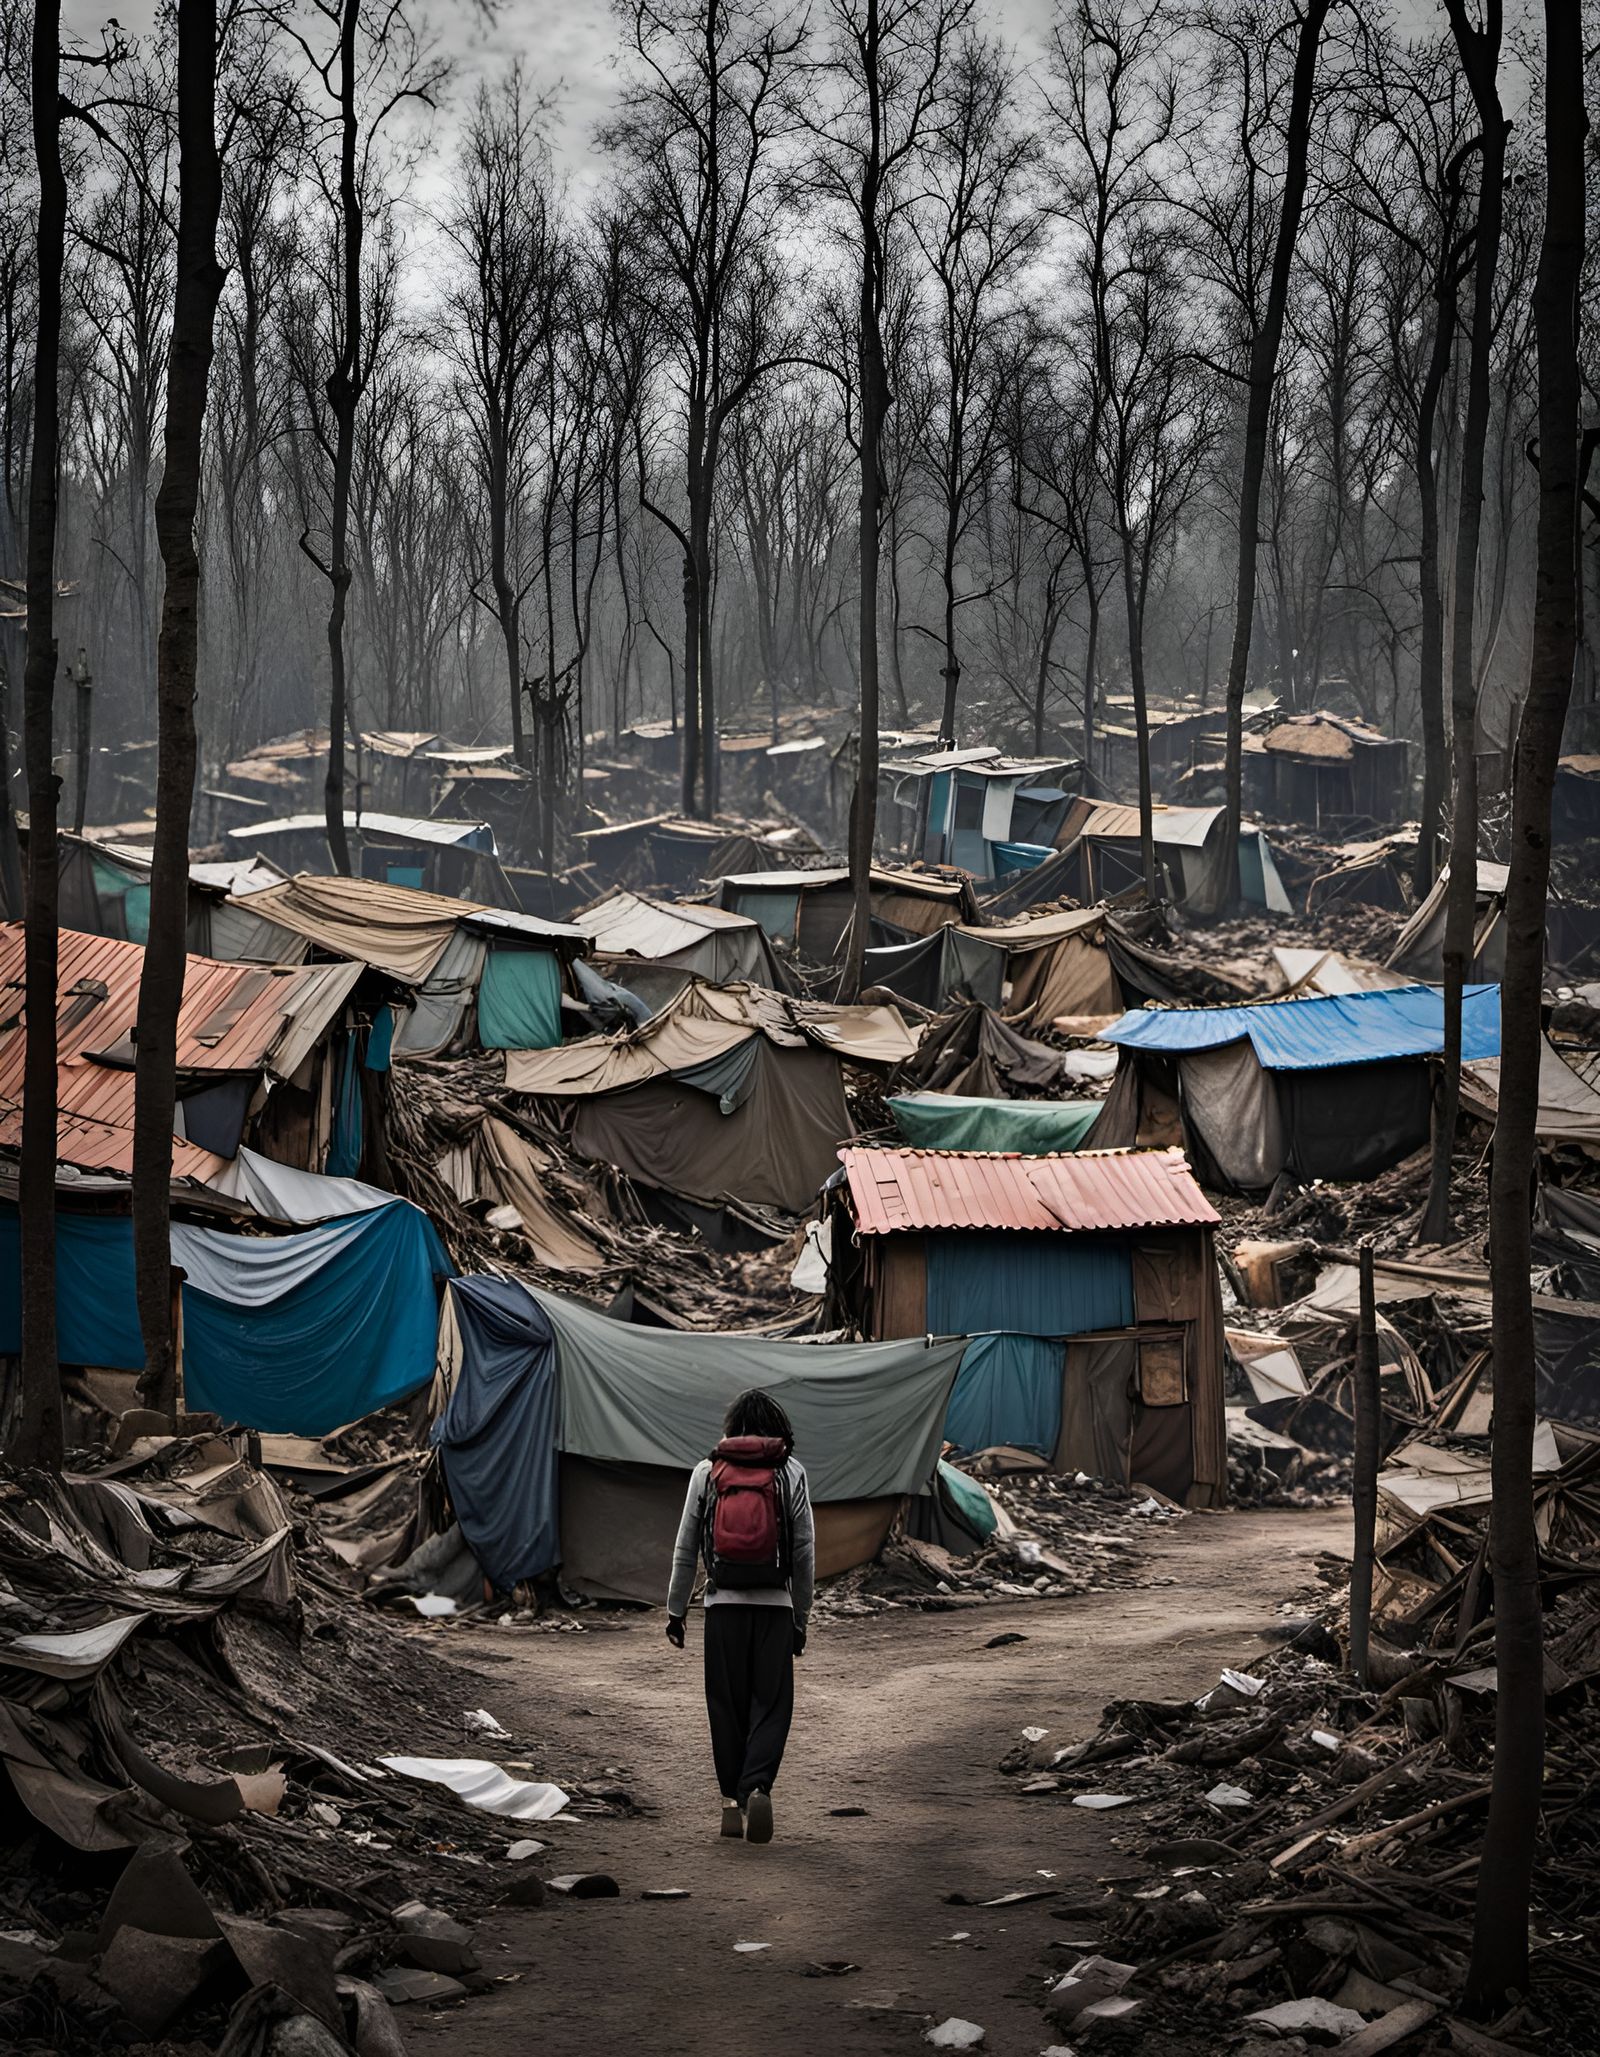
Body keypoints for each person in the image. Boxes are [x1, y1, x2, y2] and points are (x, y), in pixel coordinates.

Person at [665, 1388, 814, 1845]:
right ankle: (757, 1786)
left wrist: (676, 1611)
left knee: (725, 1707)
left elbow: (686, 1546)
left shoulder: (707, 1473)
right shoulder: (791, 1472)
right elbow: (805, 1551)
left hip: (721, 1609)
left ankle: (731, 1803)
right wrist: (801, 1617)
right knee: (770, 1705)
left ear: (731, 1428)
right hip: (775, 1609)